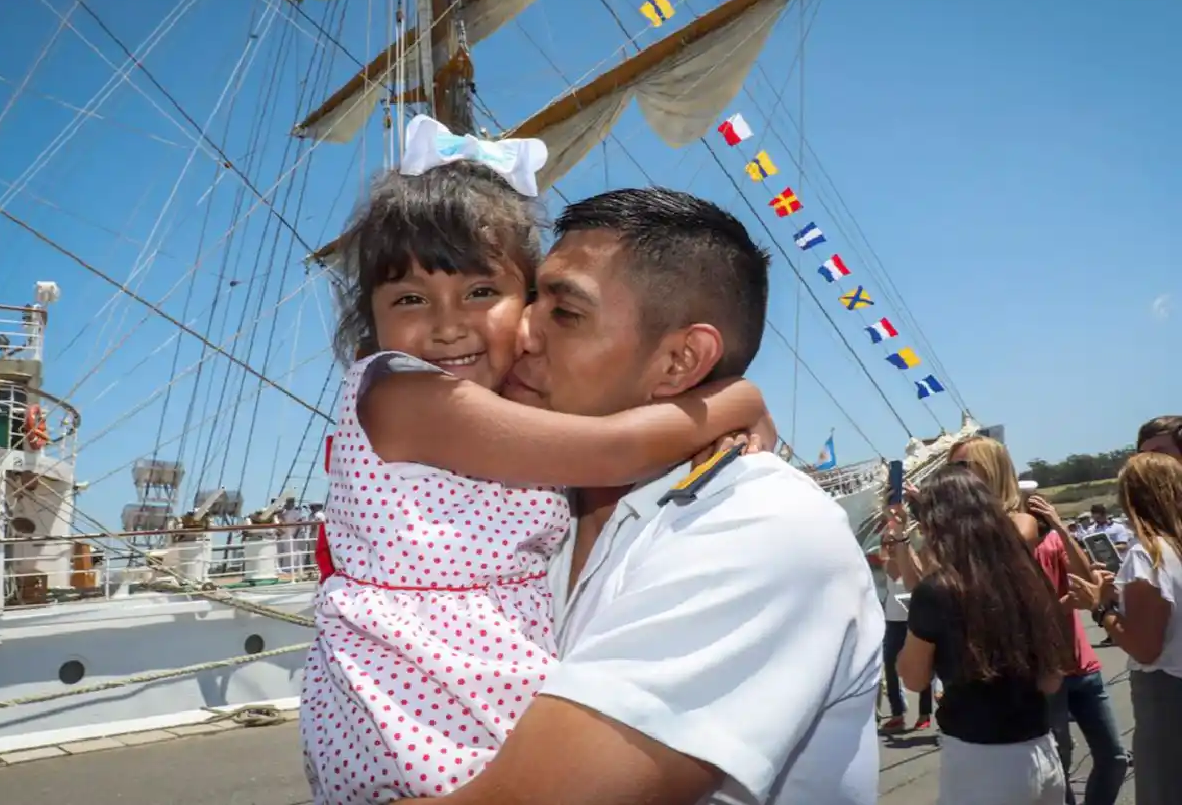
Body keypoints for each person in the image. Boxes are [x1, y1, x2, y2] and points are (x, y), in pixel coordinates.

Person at [301, 121, 777, 805]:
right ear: (369, 319)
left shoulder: (511, 415)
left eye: (480, 293)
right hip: (411, 686)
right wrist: (732, 398)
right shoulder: (403, 393)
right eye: (409, 299)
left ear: (527, 306)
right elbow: (615, 447)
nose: (445, 324)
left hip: (482, 671)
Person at [391, 186, 886, 805]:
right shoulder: (521, 509)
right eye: (532, 298)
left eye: (564, 313)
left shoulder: (761, 526)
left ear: (679, 362)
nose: (519, 331)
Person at [948, 435, 1127, 805]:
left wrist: (1059, 526)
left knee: (1113, 758)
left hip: (1081, 662)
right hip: (1046, 666)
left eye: (967, 467)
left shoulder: (1036, 532)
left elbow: (1088, 578)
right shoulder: (980, 542)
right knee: (1055, 764)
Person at [897, 465, 1072, 804]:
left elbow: (914, 679)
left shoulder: (938, 590)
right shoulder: (1026, 574)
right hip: (1042, 751)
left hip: (980, 761)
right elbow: (1052, 677)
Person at [1069, 453, 1182, 805]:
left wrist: (1100, 609)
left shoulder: (1147, 555)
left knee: (1161, 791)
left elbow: (1145, 647)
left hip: (1165, 691)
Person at [878, 536, 933, 732]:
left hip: (912, 620)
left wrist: (907, 548)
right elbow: (892, 571)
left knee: (923, 664)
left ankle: (924, 713)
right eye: (887, 543)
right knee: (891, 668)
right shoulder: (888, 562)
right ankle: (897, 713)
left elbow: (919, 578)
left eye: (893, 543)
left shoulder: (912, 560)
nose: (890, 546)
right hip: (892, 622)